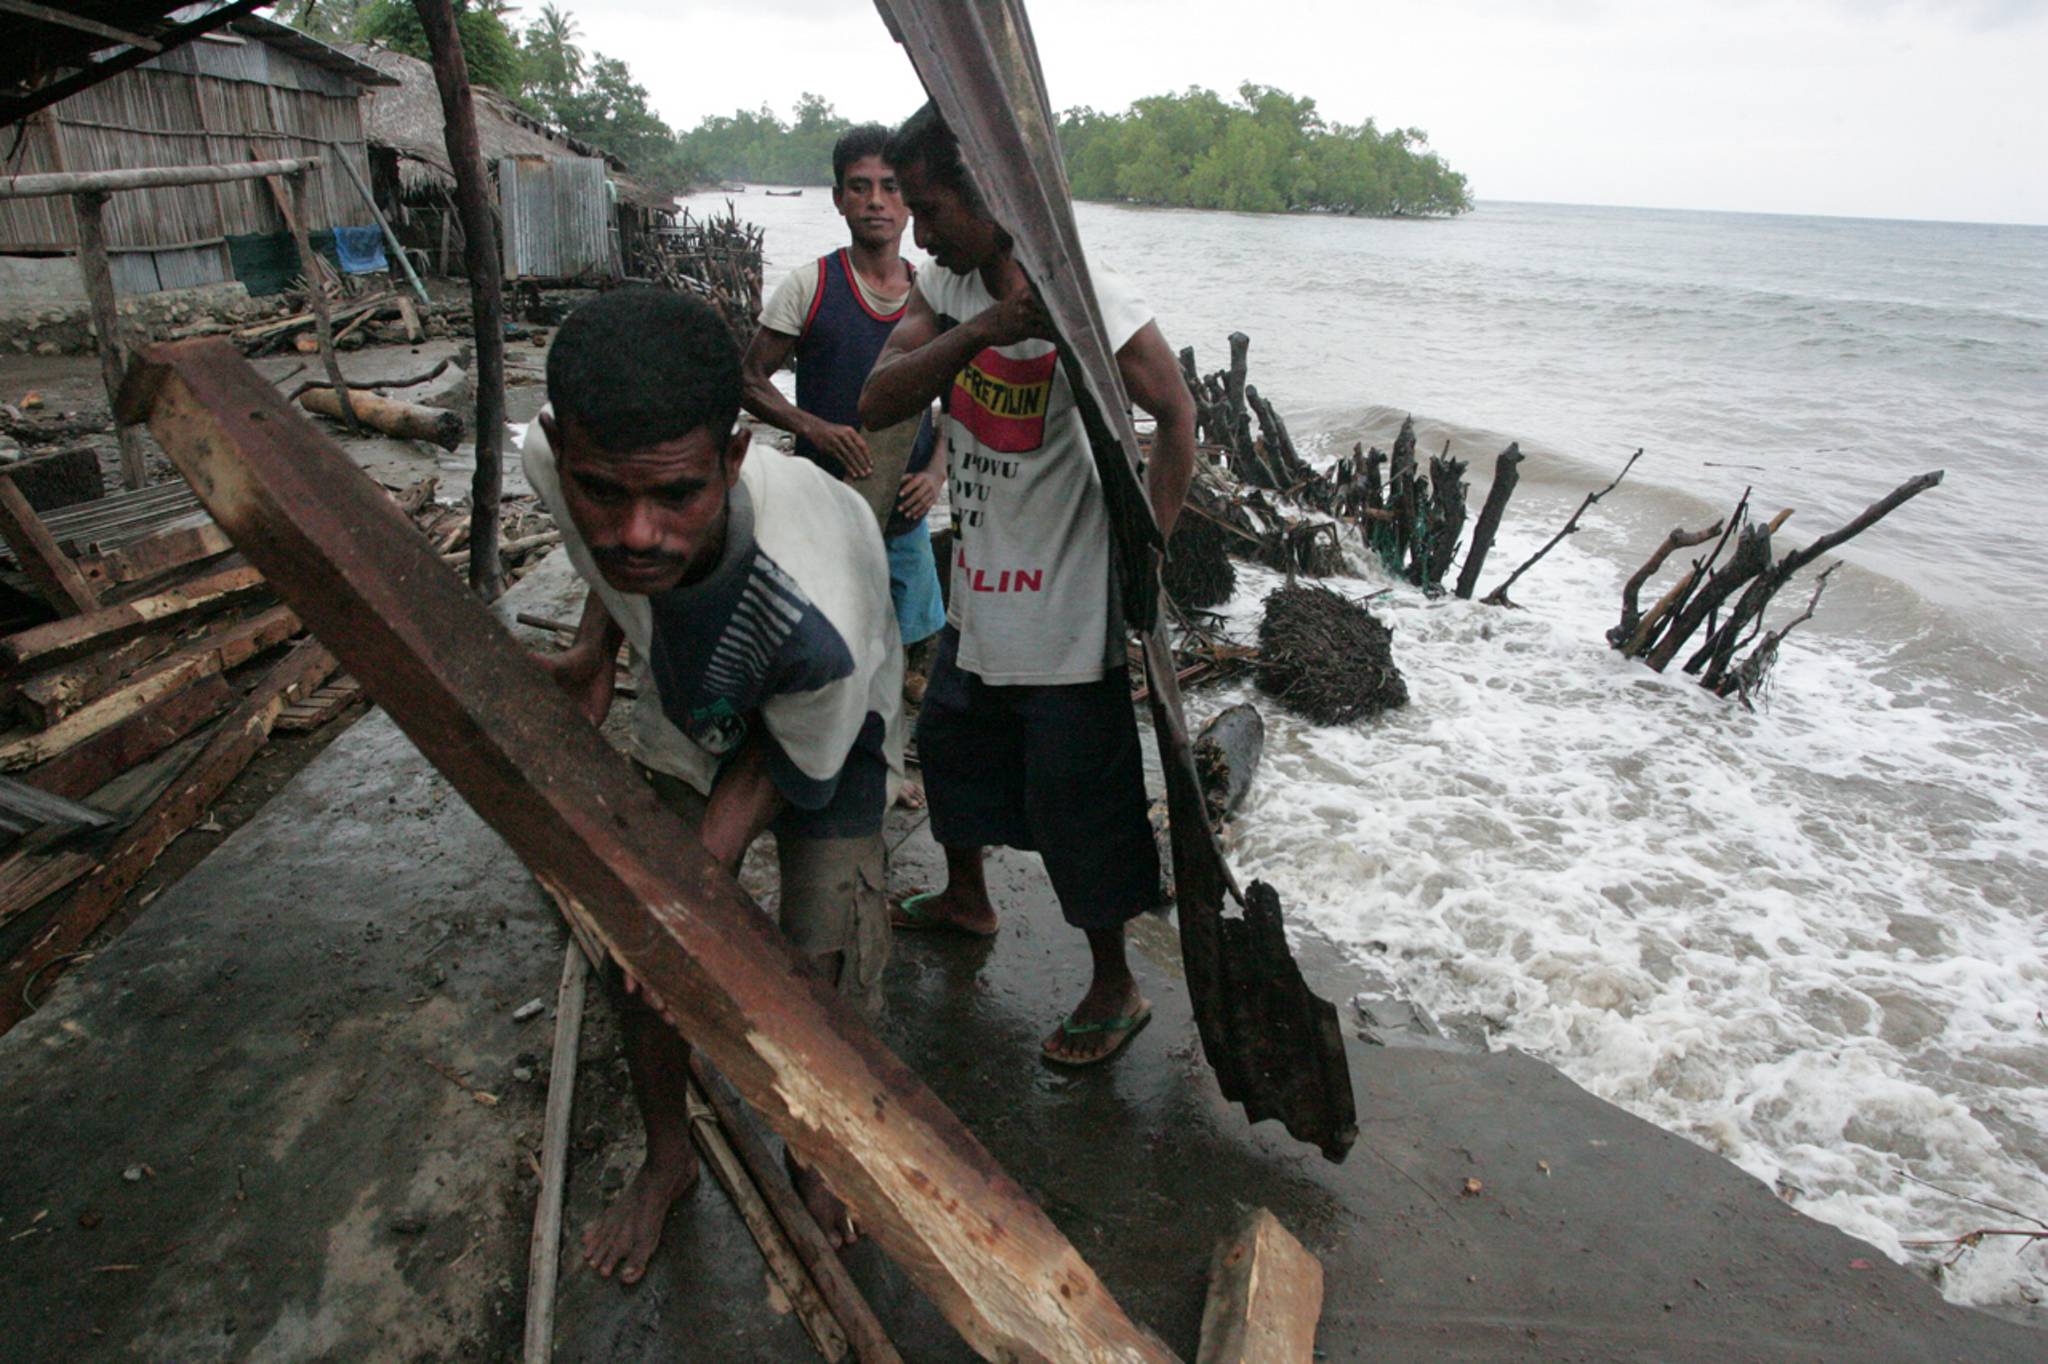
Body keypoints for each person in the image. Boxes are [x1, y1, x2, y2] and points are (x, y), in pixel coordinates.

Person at [523, 289, 902, 1284]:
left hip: (827, 722)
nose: (636, 531)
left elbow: (784, 758)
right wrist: (595, 643)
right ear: (563, 449)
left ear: (733, 460)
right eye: (601, 490)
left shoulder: (814, 603)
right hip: (691, 688)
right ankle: (669, 1157)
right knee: (640, 958)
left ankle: (814, 1157)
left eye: (676, 496)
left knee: (818, 969)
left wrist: (693, 883)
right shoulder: (547, 461)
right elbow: (612, 559)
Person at [858, 102, 1197, 1067]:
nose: (920, 231)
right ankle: (968, 901)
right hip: (979, 594)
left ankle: (1114, 985)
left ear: (991, 193)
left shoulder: (1094, 293)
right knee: (955, 756)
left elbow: (1177, 420)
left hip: (1067, 613)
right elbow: (880, 398)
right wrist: (990, 328)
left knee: (1078, 806)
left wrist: (1148, 561)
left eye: (932, 208)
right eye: (910, 210)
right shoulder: (951, 285)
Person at [741, 124, 946, 726]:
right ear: (837, 199)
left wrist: (935, 473)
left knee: (899, 645)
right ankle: (824, 749)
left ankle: (883, 766)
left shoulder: (931, 291)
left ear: (909, 198)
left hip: (904, 508)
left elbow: (960, 404)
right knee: (827, 638)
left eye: (889, 187)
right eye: (859, 188)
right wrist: (816, 429)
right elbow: (750, 379)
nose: (876, 202)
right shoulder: (811, 286)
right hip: (824, 503)